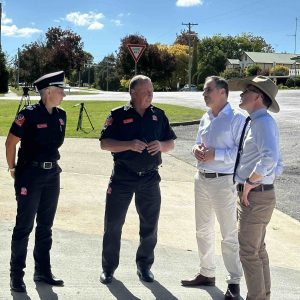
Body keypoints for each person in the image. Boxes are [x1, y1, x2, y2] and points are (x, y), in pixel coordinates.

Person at [99, 75, 176, 284]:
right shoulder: (117, 115)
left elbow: (171, 142)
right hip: (122, 177)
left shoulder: (158, 116)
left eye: (152, 91)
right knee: (113, 224)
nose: (150, 95)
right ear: (133, 93)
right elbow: (104, 143)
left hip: (150, 179)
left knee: (149, 226)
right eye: (146, 91)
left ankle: (144, 266)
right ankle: (108, 268)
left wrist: (161, 145)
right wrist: (129, 144)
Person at [181, 76, 244, 300]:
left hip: (223, 181)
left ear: (222, 93)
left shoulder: (237, 118)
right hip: (202, 179)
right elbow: (197, 142)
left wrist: (215, 154)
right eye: (204, 90)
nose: (204, 93)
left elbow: (241, 154)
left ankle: (234, 282)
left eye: (208, 90)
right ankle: (206, 273)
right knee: (202, 229)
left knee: (228, 234)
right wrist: (196, 150)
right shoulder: (206, 117)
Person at [5, 71, 67, 293]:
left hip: (52, 177)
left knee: (45, 227)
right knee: (24, 226)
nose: (63, 95)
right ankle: (16, 275)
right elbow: (10, 143)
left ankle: (42, 271)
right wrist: (13, 169)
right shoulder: (28, 115)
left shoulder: (61, 116)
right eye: (60, 91)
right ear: (48, 92)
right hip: (29, 176)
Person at [229, 75, 283, 300]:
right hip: (258, 194)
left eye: (247, 91)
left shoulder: (262, 122)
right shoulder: (259, 121)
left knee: (249, 253)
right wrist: (260, 180)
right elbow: (277, 164)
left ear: (258, 97)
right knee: (257, 251)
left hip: (256, 195)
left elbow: (270, 159)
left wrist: (252, 182)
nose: (241, 94)